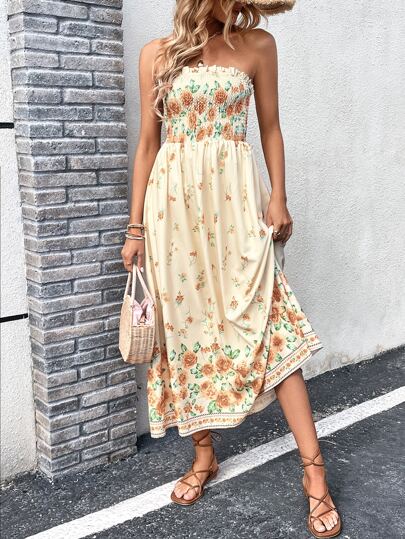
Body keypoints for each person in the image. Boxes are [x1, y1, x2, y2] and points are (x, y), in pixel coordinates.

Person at [121, 0, 342, 536]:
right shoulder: (157, 55)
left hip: (236, 206)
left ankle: (314, 473)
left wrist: (279, 198)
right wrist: (135, 227)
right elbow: (148, 145)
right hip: (172, 212)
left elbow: (271, 128)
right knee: (183, 330)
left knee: (269, 321)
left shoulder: (258, 46)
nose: (240, 4)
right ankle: (204, 457)